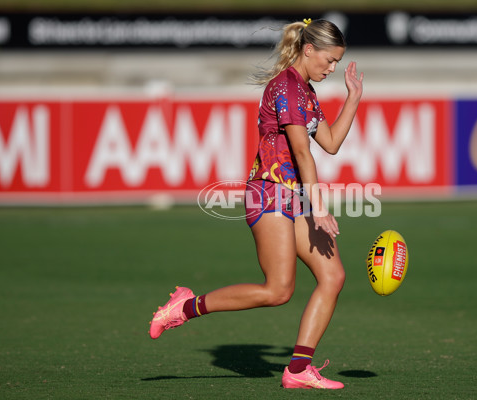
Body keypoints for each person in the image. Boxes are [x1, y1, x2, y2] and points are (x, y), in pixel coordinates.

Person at [149, 18, 363, 390]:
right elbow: (301, 150)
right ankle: (184, 307)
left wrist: (353, 98)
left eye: (337, 63)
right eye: (329, 60)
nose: (332, 68)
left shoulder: (306, 91)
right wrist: (319, 205)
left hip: (291, 196)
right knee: (277, 291)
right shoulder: (287, 88)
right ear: (308, 49)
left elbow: (328, 143)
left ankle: (298, 370)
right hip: (269, 192)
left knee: (333, 276)